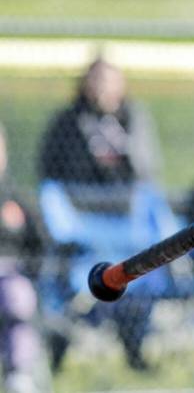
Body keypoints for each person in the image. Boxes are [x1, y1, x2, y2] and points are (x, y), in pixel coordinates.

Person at [36, 57, 174, 371]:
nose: (101, 88)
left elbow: (145, 174)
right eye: (95, 80)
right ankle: (59, 351)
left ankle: (135, 349)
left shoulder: (133, 118)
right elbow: (53, 178)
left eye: (109, 81)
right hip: (81, 220)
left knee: (145, 278)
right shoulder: (68, 123)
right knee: (72, 285)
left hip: (128, 226)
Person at [0, 122, 48, 392]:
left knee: (17, 293)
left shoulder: (15, 199)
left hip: (10, 276)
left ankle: (17, 374)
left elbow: (41, 244)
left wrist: (30, 270)